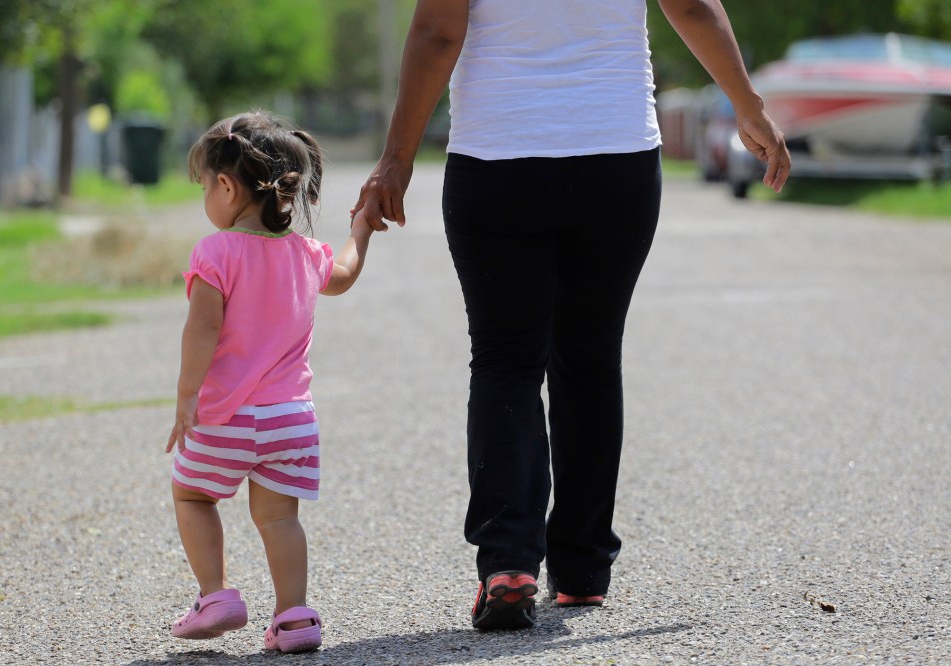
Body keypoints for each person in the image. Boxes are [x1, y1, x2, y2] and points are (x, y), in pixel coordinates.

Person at [353, 0, 790, 631]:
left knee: (506, 361)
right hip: (615, 160)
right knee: (588, 358)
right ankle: (582, 569)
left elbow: (437, 30)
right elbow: (692, 6)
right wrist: (748, 106)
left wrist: (396, 158)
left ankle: (507, 563)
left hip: (498, 158)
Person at [165, 111, 373, 652]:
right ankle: (295, 618)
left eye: (206, 187)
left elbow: (202, 328)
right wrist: (360, 230)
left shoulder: (215, 252)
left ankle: (216, 595)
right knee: (280, 518)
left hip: (224, 416)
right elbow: (345, 275)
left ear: (228, 186)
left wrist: (187, 397)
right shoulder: (305, 253)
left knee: (192, 496)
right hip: (291, 421)